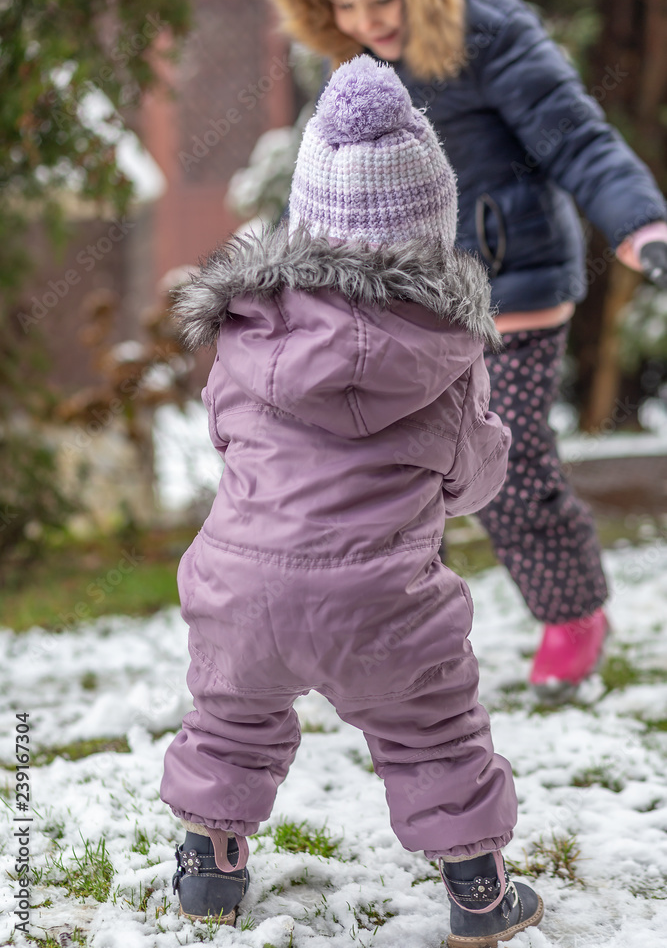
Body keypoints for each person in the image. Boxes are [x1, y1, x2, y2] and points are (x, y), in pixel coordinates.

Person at [161, 56, 544, 945]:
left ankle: (210, 870)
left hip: (240, 588)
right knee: (435, 735)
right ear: (429, 232)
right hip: (383, 607)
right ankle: (479, 896)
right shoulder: (447, 359)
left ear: (307, 222)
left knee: (230, 719)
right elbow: (471, 482)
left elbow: (222, 434)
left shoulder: (248, 336)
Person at [262, 0, 667, 698]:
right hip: (417, 298)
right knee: (401, 473)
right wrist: (286, 270)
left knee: (503, 464)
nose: (363, 21)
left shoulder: (495, 31)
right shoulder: (354, 52)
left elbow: (578, 137)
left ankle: (571, 612)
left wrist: (640, 223)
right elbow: (327, 168)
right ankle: (408, 641)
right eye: (342, 9)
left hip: (512, 283)